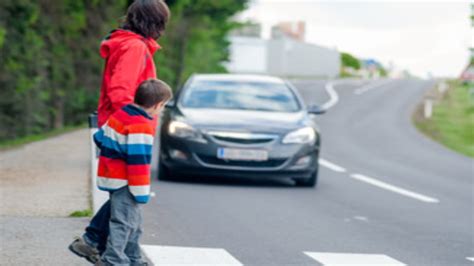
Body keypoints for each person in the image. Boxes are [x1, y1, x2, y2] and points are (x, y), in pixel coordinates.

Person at [68, 0, 170, 264]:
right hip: (126, 128)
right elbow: (120, 91)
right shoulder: (134, 47)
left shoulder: (131, 44)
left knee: (123, 193)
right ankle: (111, 252)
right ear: (154, 22)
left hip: (119, 125)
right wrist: (137, 123)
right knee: (127, 194)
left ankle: (95, 243)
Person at [94, 79, 172, 265]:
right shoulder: (141, 126)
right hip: (126, 182)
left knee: (133, 222)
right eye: (163, 106)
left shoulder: (121, 114)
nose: (161, 111)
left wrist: (115, 151)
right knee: (123, 223)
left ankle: (133, 258)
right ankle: (113, 259)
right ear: (157, 105)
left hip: (110, 175)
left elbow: (99, 137)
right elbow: (138, 163)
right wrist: (141, 192)